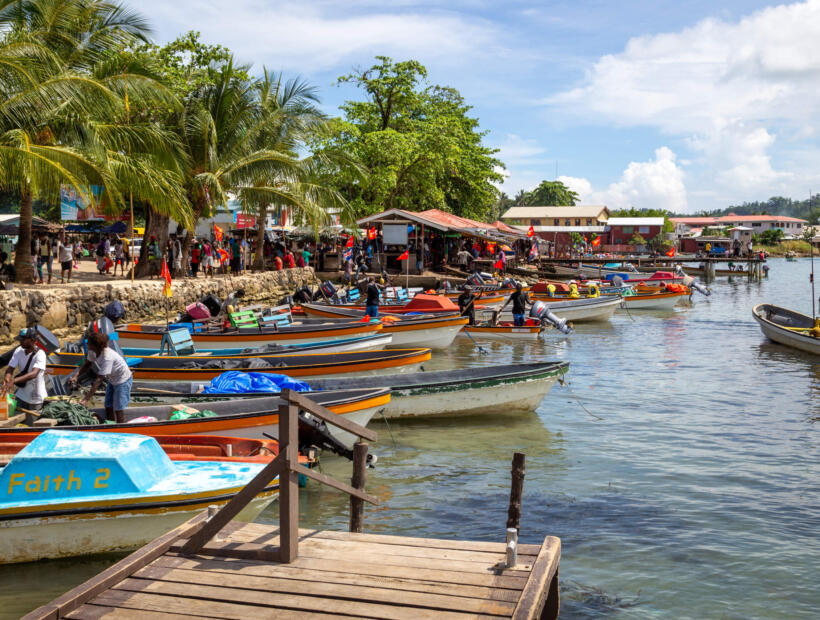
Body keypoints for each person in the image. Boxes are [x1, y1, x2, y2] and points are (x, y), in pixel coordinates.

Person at [69, 332, 132, 424]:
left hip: (122, 380)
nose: (87, 344)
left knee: (118, 408)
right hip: (112, 379)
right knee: (108, 406)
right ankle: (110, 425)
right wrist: (76, 376)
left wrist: (86, 399)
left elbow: (99, 380)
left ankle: (120, 428)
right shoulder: (92, 351)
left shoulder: (107, 357)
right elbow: (87, 364)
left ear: (96, 346)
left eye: (89, 343)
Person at [3, 327, 48, 421]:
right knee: (16, 423)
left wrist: (14, 381)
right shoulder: (18, 350)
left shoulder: (40, 354)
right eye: (20, 339)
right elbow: (10, 368)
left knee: (32, 427)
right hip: (21, 396)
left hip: (36, 399)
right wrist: (7, 378)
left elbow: (34, 374)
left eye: (23, 340)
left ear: (32, 340)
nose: (20, 342)